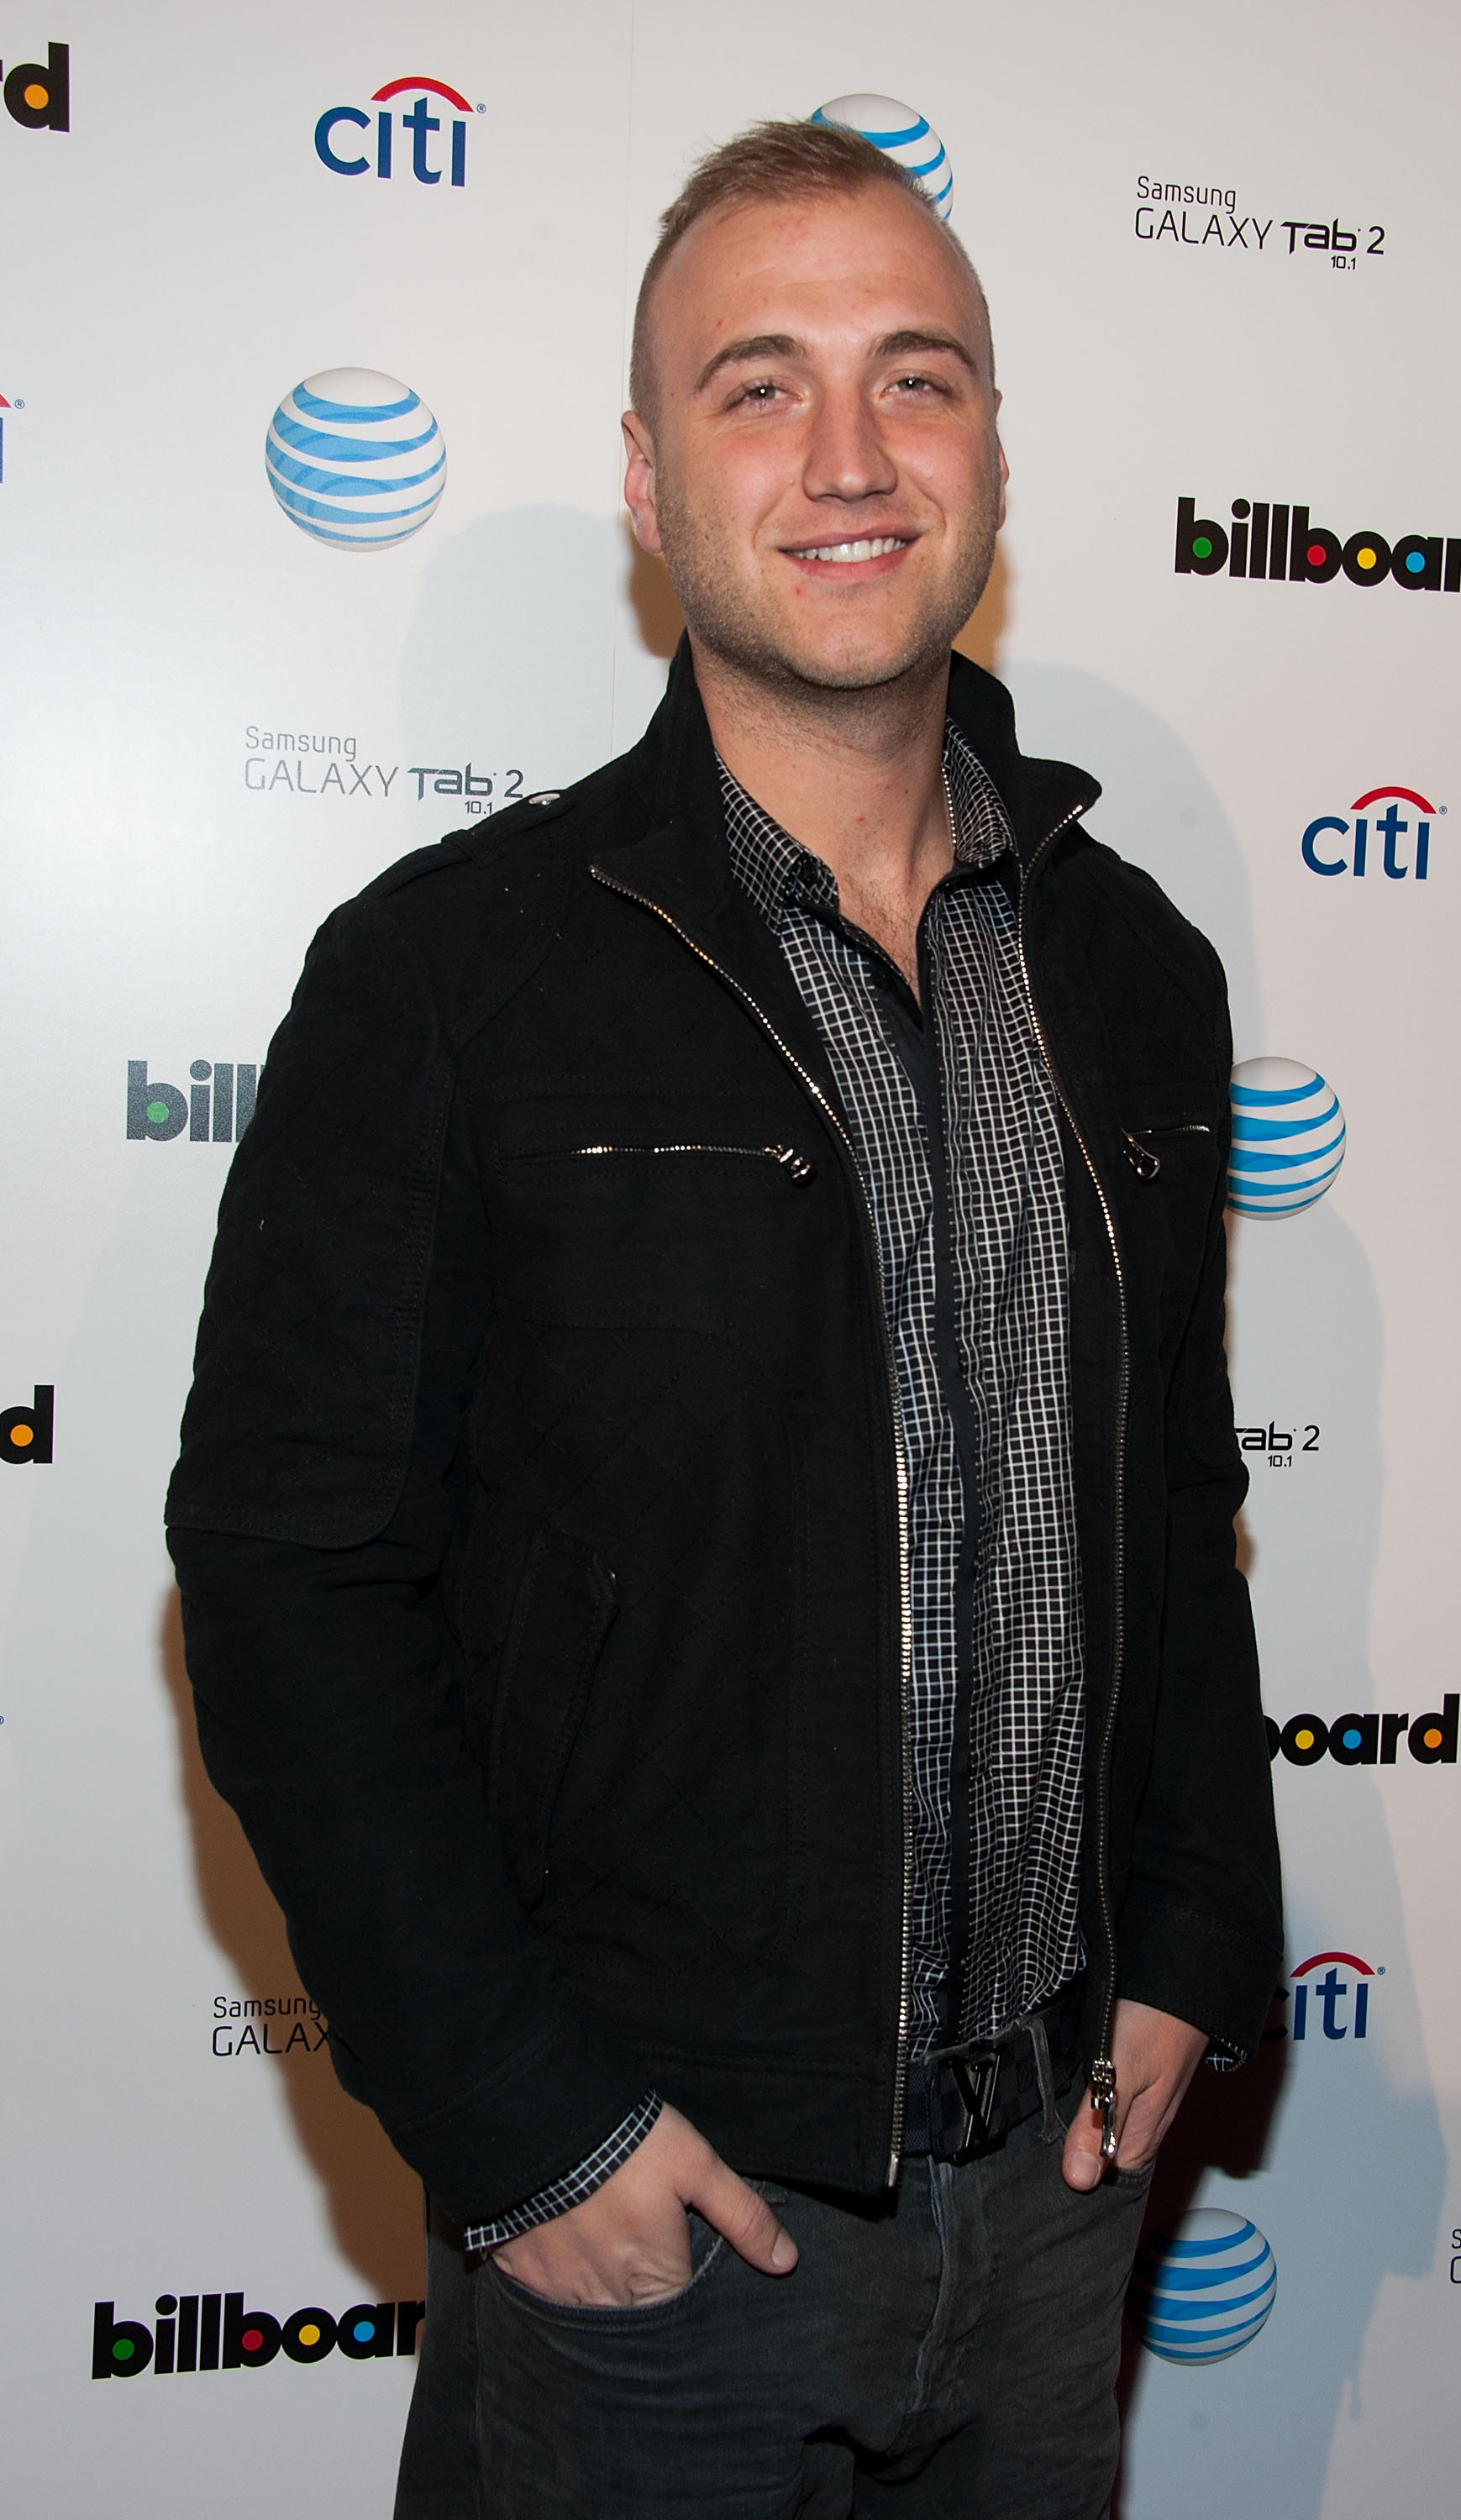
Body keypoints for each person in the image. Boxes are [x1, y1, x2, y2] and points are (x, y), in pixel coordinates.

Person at [167, 118, 1280, 2520]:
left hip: (1062, 2198)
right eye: (760, 386)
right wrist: (525, 2119)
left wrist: (1194, 1941)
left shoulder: (1137, 973)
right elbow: (283, 1581)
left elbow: (1178, 1504)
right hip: (669, 2225)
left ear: (993, 452)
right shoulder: (452, 974)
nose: (850, 455)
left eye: (917, 378)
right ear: (650, 480)